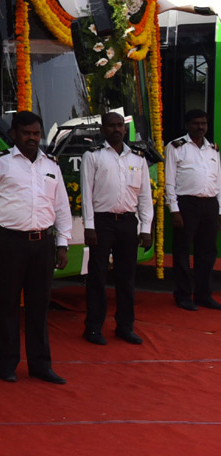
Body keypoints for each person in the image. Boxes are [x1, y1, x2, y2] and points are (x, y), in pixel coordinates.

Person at [0, 110, 73, 385]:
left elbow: (61, 208)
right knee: (7, 306)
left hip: (43, 244)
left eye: (36, 133)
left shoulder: (51, 166)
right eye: (27, 133)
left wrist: (63, 244)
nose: (33, 138)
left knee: (39, 306)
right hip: (9, 243)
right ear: (14, 135)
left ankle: (41, 365)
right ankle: (6, 364)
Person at [81, 112, 153, 345]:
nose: (116, 129)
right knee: (97, 276)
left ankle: (125, 327)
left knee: (126, 278)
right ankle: (93, 328)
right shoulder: (93, 156)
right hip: (102, 223)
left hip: (128, 223)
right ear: (103, 129)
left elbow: (145, 197)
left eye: (120, 125)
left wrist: (146, 228)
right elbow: (86, 196)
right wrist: (89, 226)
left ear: (125, 128)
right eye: (111, 126)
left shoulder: (138, 158)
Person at [164, 108, 221, 311]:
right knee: (182, 251)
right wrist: (174, 209)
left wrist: (219, 210)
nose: (200, 127)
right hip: (186, 204)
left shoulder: (213, 149)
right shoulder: (176, 147)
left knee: (207, 252)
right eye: (196, 123)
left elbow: (218, 182)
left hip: (210, 204)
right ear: (188, 125)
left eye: (203, 124)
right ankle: (183, 294)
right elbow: (169, 181)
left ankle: (204, 294)